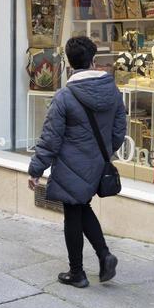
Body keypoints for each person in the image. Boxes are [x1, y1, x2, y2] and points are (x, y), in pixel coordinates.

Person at [27, 36, 121, 288]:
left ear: (69, 64)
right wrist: (103, 154)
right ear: (93, 61)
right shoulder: (111, 90)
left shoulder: (64, 97)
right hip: (96, 163)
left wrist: (36, 169)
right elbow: (119, 129)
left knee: (72, 212)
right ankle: (104, 255)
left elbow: (50, 138)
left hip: (70, 165)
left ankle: (77, 273)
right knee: (82, 206)